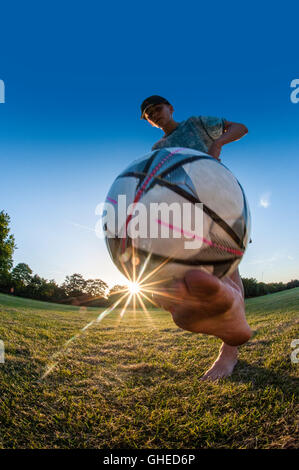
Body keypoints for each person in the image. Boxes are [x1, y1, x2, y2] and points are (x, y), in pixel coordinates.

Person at [140, 95, 252, 381]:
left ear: (170, 108)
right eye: (149, 115)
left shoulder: (196, 123)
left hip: (220, 199)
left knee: (227, 267)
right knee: (190, 268)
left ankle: (229, 350)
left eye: (157, 109)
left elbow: (240, 127)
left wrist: (217, 143)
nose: (155, 115)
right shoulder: (158, 148)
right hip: (185, 212)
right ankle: (220, 316)